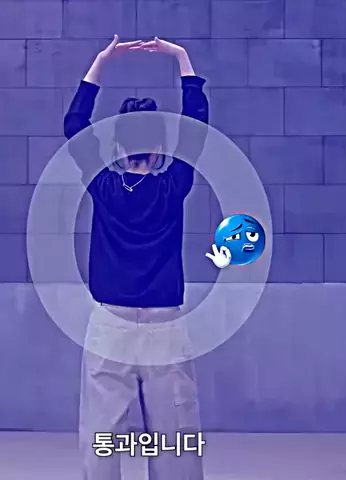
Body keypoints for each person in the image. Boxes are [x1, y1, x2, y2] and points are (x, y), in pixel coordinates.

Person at [64, 35, 209, 480]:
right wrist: (182, 59)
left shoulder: (105, 186)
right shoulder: (173, 186)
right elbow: (196, 127)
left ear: (118, 146)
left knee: (102, 426)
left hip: (111, 319)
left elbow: (75, 124)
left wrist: (100, 62)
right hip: (165, 320)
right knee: (173, 429)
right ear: (160, 147)